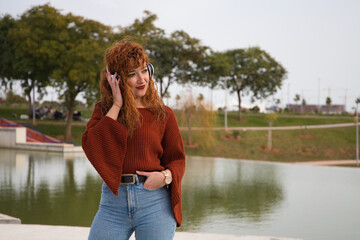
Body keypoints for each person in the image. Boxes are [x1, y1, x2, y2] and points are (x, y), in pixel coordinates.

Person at [81, 40, 186, 240]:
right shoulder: (104, 111)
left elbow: (177, 160)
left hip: (154, 201)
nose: (141, 79)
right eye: (132, 74)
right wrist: (117, 104)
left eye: (144, 70)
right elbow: (92, 145)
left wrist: (164, 177)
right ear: (116, 79)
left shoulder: (164, 114)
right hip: (113, 202)